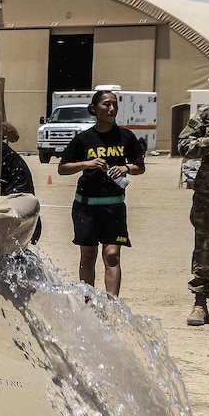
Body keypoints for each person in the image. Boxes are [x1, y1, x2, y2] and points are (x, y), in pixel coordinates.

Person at [58, 90, 145, 297]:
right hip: (86, 206)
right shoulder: (84, 139)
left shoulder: (126, 136)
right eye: (107, 104)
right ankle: (89, 302)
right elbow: (62, 168)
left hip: (114, 206)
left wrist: (126, 168)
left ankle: (111, 305)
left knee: (112, 254)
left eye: (115, 104)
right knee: (88, 256)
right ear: (94, 108)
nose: (112, 108)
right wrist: (88, 163)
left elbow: (140, 167)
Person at [176, 104, 209, 326]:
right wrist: (208, 142)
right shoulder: (206, 115)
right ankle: (200, 304)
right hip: (208, 195)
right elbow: (183, 146)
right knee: (205, 248)